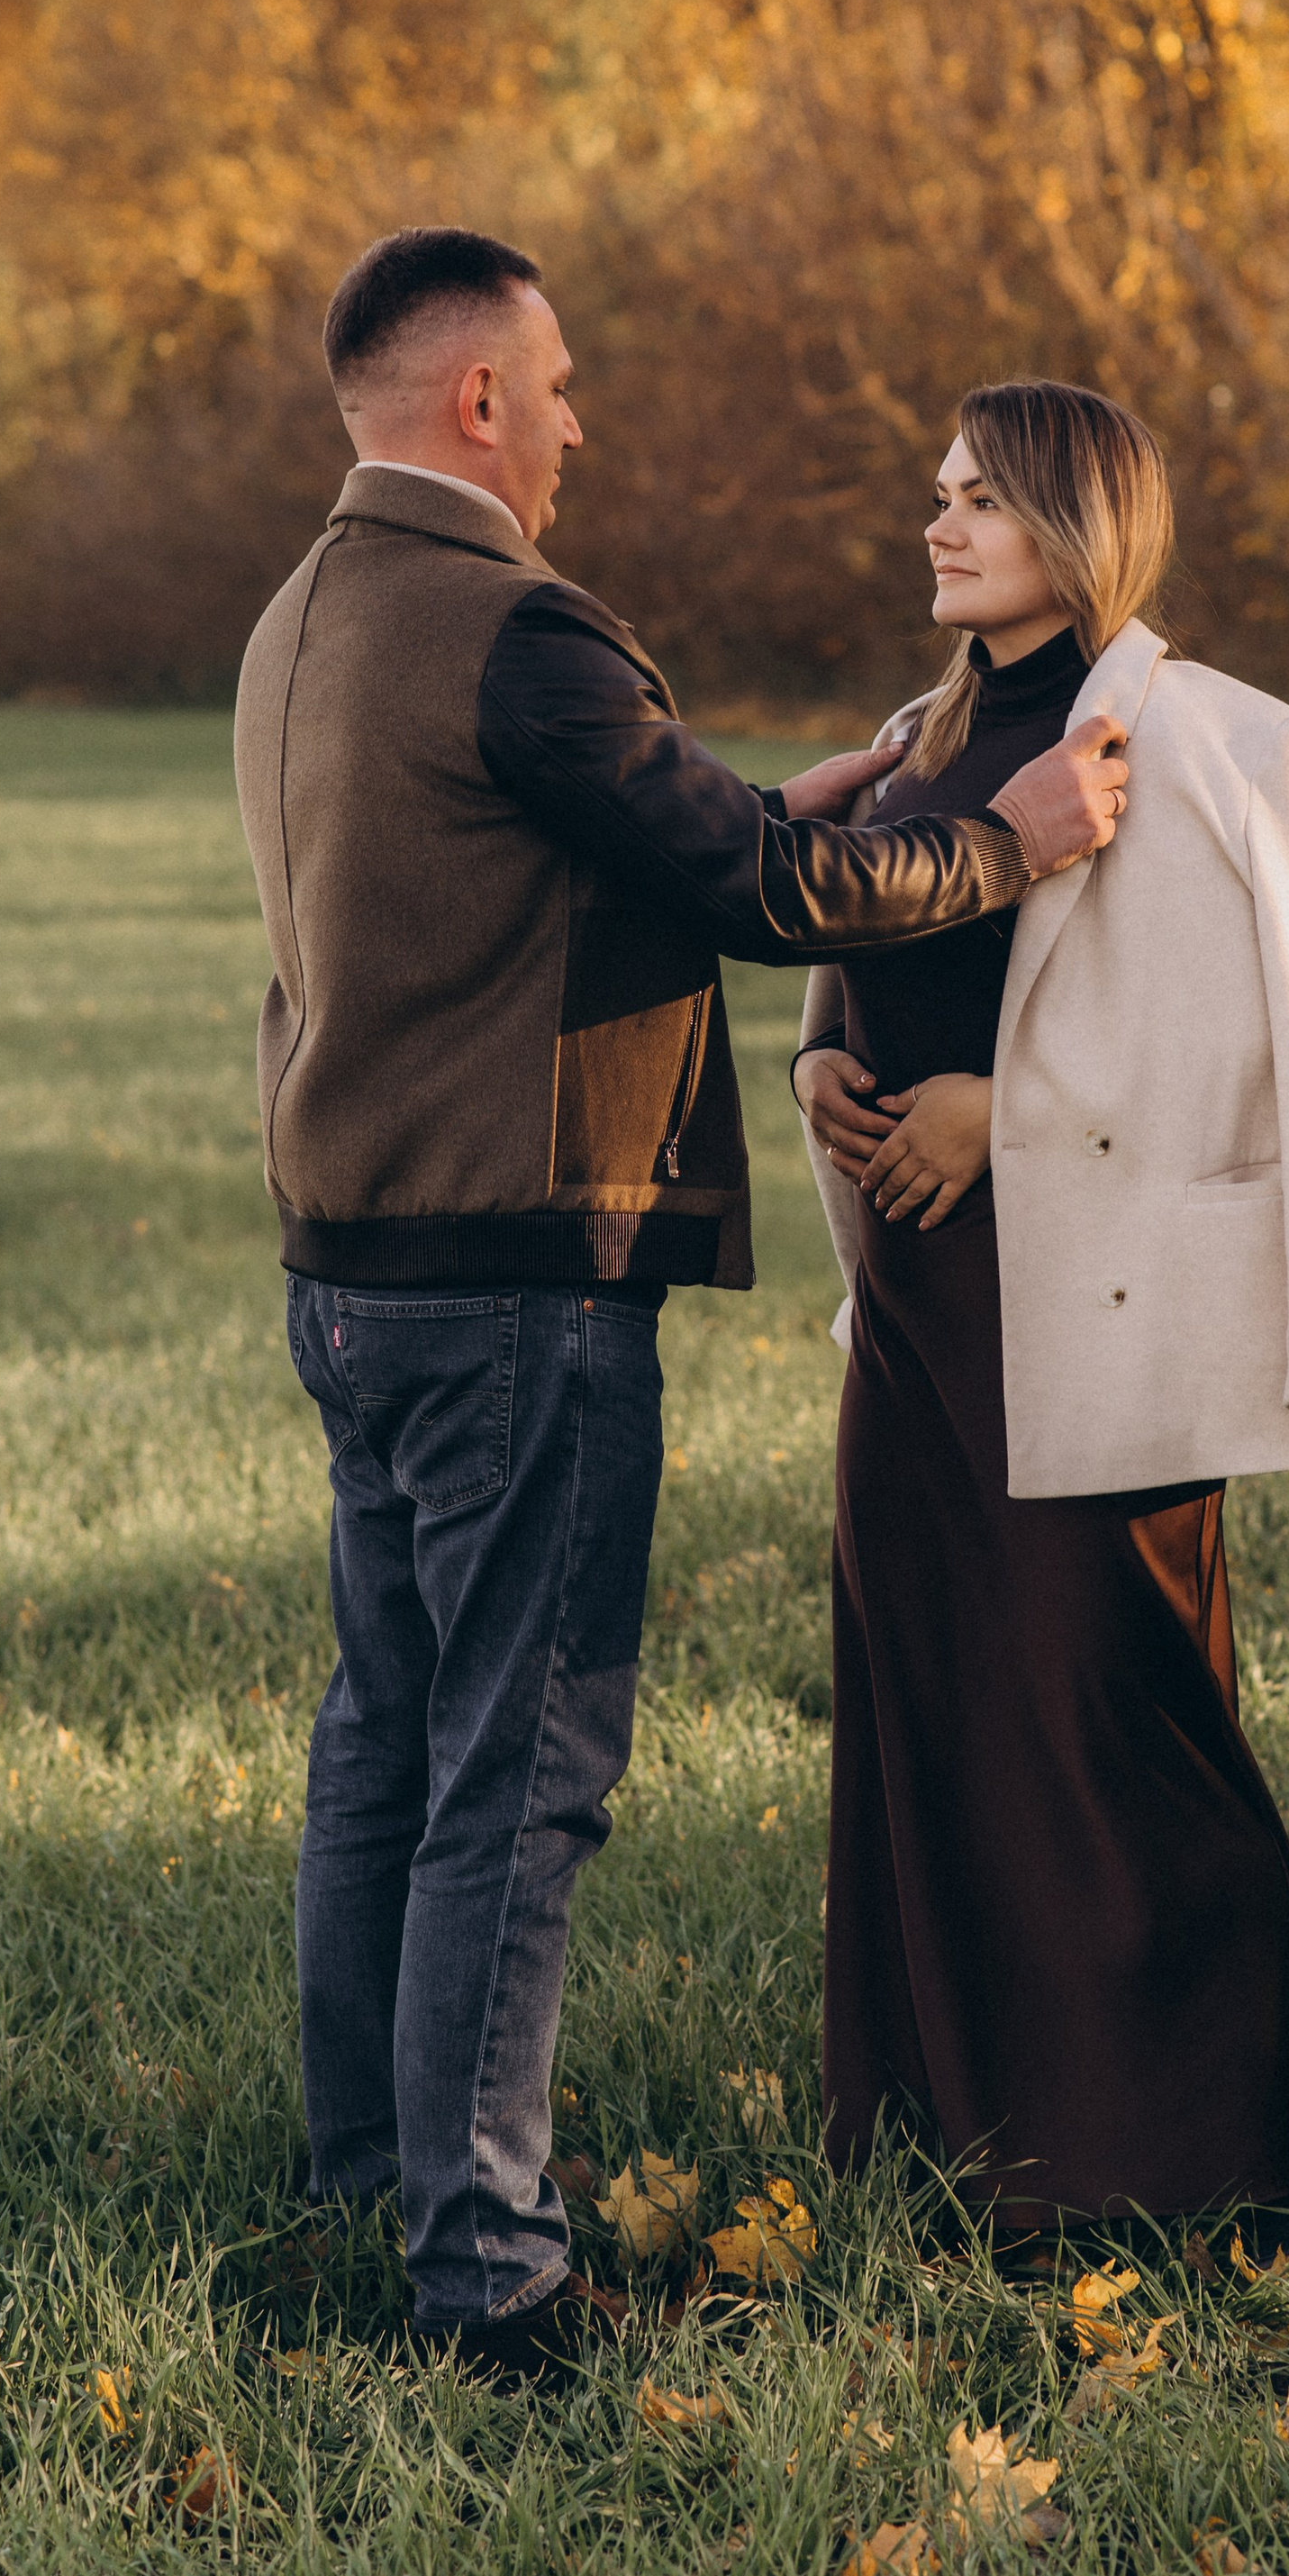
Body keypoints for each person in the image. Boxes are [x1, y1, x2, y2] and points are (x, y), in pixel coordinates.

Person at [231, 232, 1129, 2381]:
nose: (571, 423)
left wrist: (764, 798)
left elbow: (550, 850)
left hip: (351, 1274)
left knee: (384, 1742)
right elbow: (766, 897)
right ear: (473, 400)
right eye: (552, 385)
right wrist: (1005, 835)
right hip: (514, 1287)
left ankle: (367, 2172)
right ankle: (489, 2276)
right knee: (517, 1772)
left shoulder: (305, 615)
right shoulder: (514, 623)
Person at [794, 380, 1289, 2244]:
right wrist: (818, 1067)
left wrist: (1007, 1118)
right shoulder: (908, 743)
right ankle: (973, 2148)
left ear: (1077, 523)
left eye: (981, 496)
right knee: (931, 1710)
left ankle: (1245, 2155)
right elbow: (863, 954)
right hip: (917, 1310)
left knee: (1115, 1717)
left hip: (1096, 1302)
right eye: (939, 491)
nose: (939, 521)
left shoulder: (1226, 741)